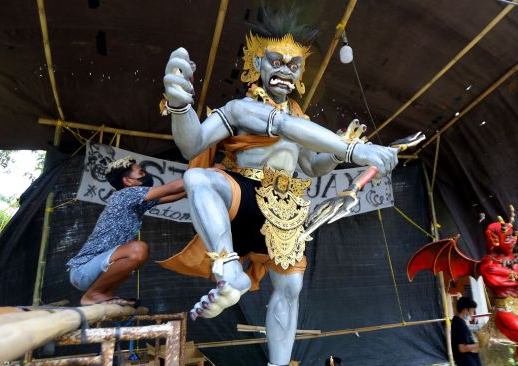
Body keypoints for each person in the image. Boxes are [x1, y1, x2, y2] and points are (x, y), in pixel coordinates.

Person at [159, 7, 398, 366]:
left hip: (286, 211)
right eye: (276, 61)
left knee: (289, 292)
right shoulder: (242, 108)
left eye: (294, 65)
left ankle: (279, 364)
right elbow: (193, 144)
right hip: (244, 197)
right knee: (198, 178)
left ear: (301, 73)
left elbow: (310, 166)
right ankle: (228, 268)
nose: (286, 70)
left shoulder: (301, 121)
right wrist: (180, 107)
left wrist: (336, 153)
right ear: (257, 64)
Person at [66, 156, 186, 306]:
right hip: (83, 271)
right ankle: (93, 295)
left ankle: (105, 294)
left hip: (92, 272)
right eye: (141, 173)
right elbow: (172, 188)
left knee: (137, 254)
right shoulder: (126, 194)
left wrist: (198, 185)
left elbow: (175, 195)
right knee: (138, 250)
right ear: (128, 182)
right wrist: (205, 173)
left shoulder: (137, 203)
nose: (146, 176)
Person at [451, 296, 482, 366]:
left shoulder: (460, 322)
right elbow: (462, 348)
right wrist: (481, 344)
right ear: (465, 310)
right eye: (472, 310)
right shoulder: (459, 324)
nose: (473, 314)